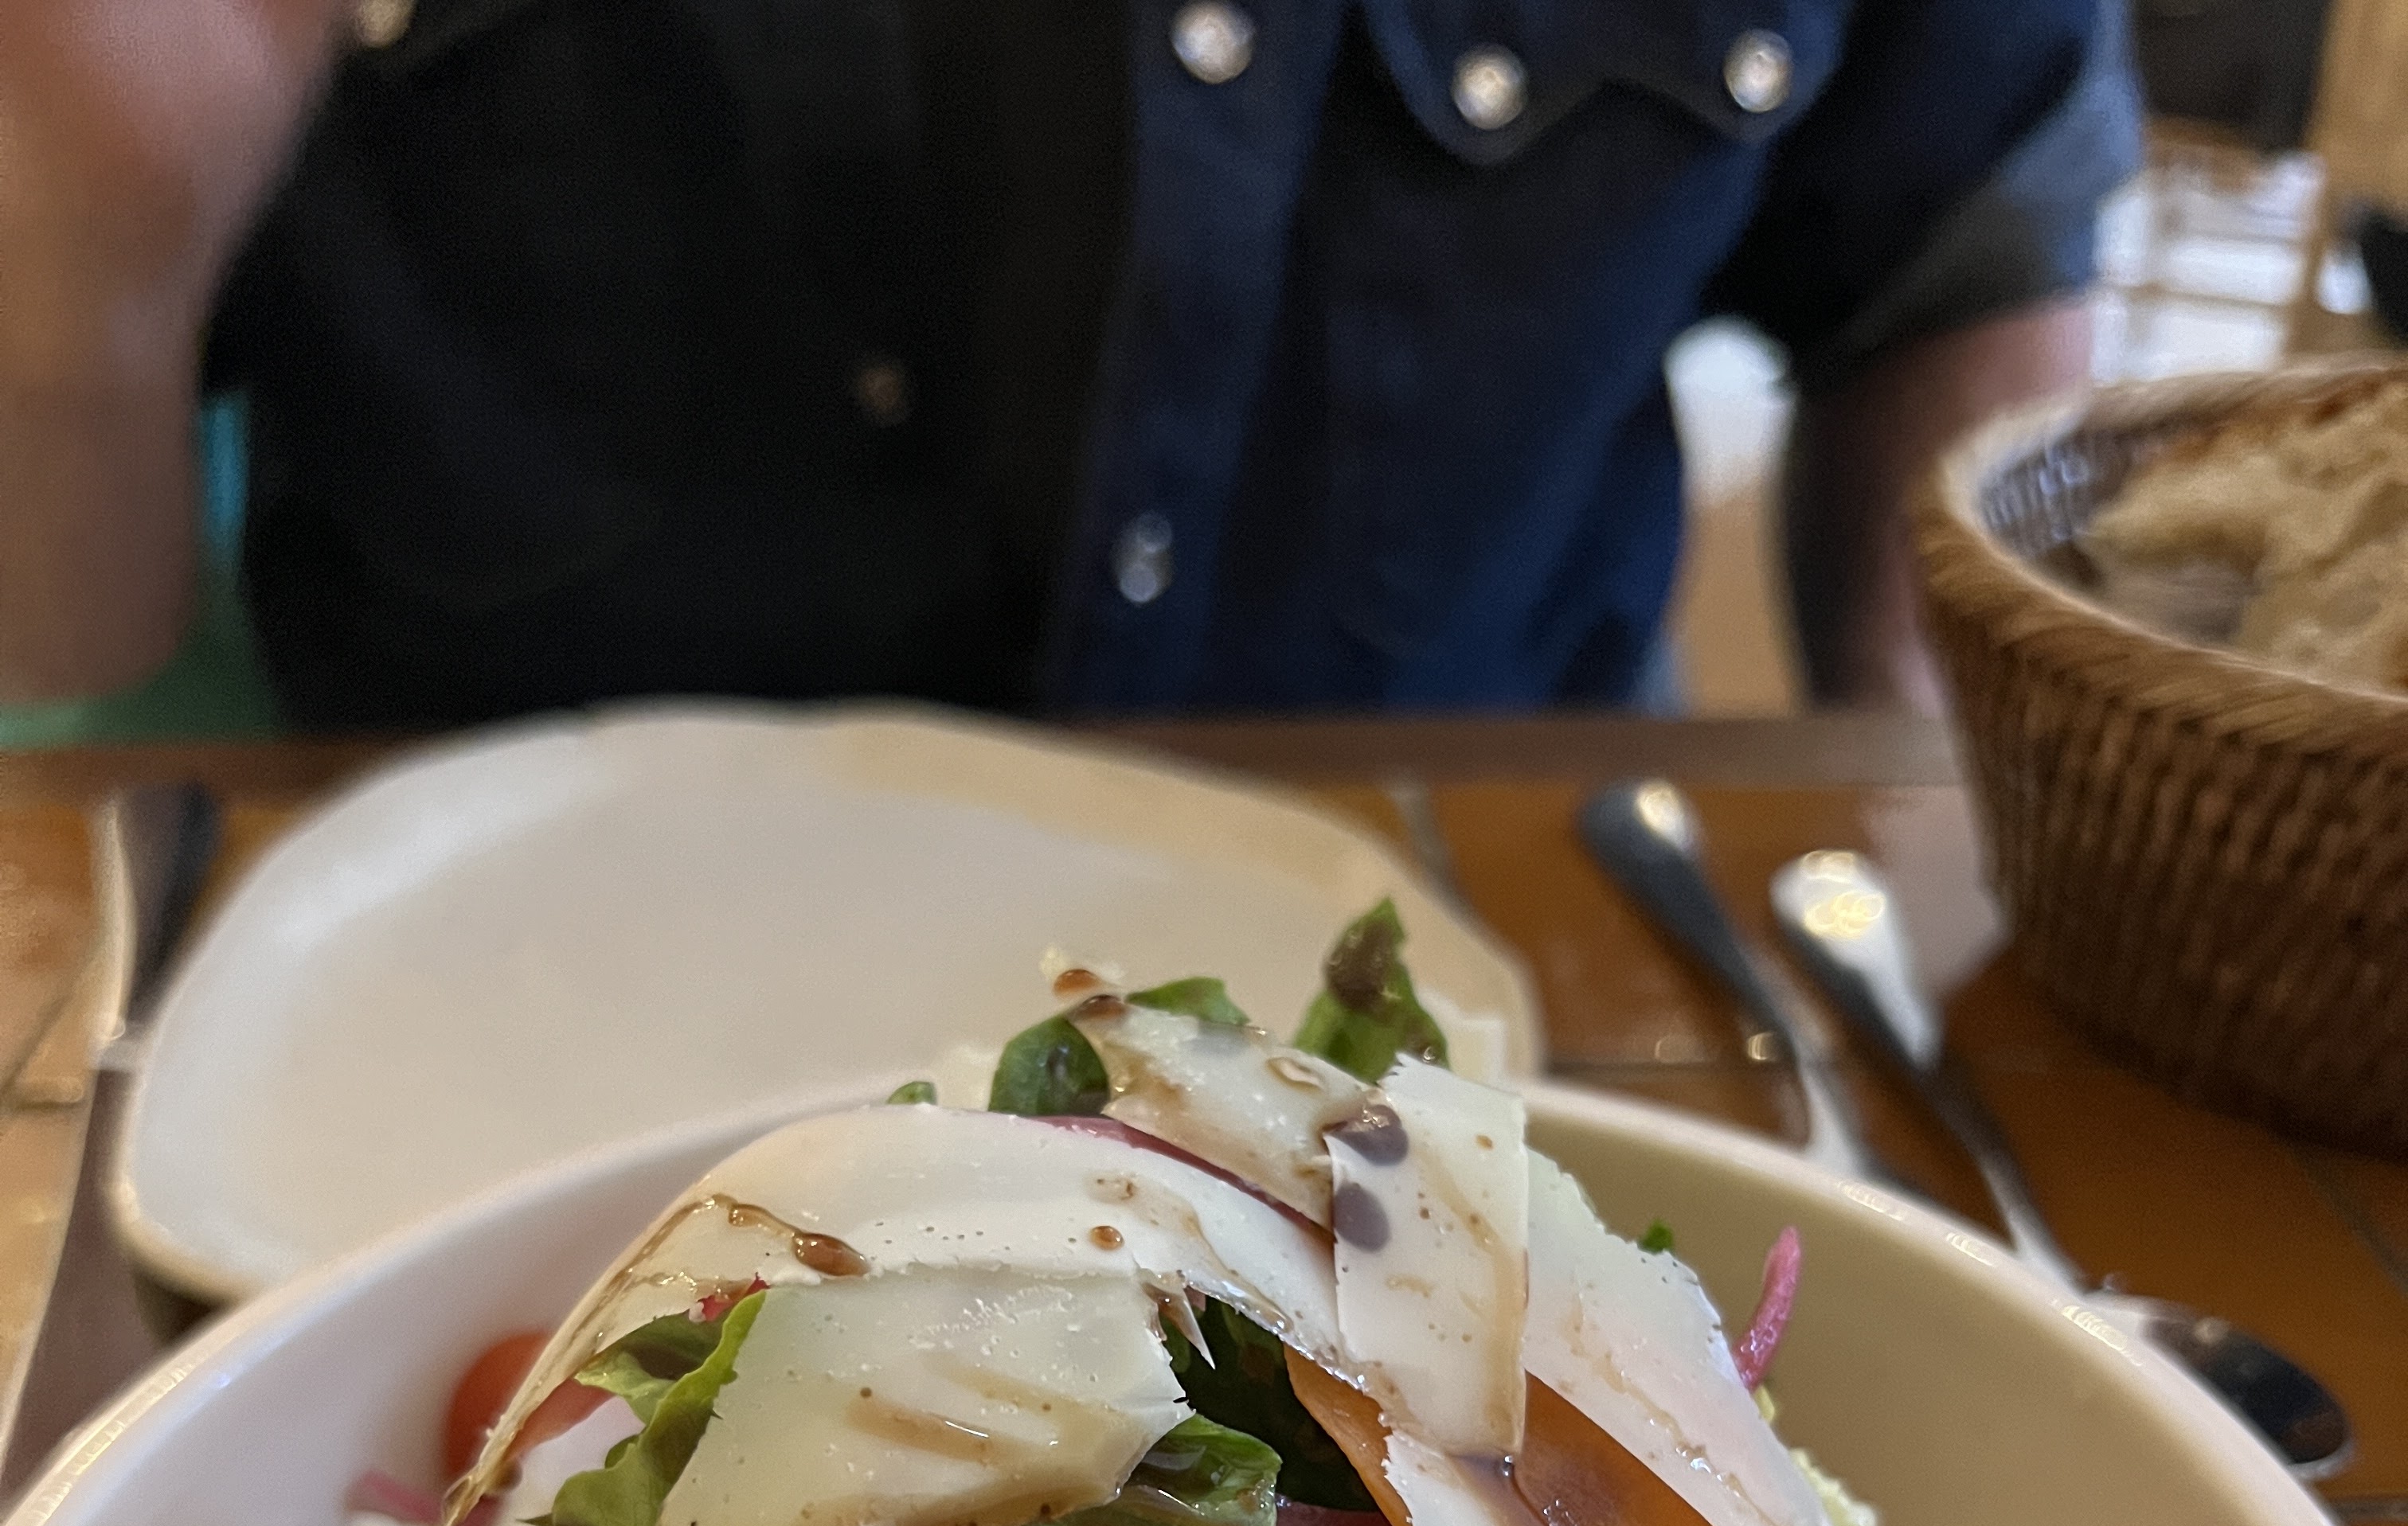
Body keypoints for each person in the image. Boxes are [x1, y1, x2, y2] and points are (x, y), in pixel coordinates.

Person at [0, 0, 2139, 729]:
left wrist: (1911, 883)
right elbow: (55, 684)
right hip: (445, 1064)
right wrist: (68, 296)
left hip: (1498, 1024)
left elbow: (1960, 249)